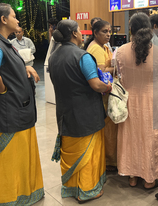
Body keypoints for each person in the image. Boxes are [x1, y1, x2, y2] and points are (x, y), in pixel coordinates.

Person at [0, 3, 43, 205]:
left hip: (17, 114)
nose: (17, 20)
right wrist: (1, 88)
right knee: (5, 165)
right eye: (14, 16)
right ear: (4, 20)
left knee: (19, 161)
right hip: (6, 117)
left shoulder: (4, 43)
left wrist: (25, 69)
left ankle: (23, 197)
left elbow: (7, 68)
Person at [48, 19, 110, 203]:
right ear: (74, 34)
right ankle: (87, 190)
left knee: (71, 148)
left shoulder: (53, 56)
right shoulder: (82, 56)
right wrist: (109, 87)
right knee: (87, 152)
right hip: (86, 114)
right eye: (80, 31)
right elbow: (96, 85)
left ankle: (71, 188)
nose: (82, 34)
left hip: (65, 112)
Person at [116, 12, 158, 189]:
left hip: (130, 100)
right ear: (149, 29)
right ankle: (150, 179)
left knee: (131, 137)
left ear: (131, 29)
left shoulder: (121, 51)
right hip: (152, 101)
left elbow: (120, 76)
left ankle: (132, 176)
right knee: (152, 137)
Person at [84, 20, 117, 172]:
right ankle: (109, 160)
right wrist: (117, 67)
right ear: (95, 33)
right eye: (104, 31)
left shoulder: (102, 46)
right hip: (103, 93)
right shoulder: (96, 49)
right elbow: (102, 72)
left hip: (106, 92)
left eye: (109, 31)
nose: (108, 34)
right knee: (108, 128)